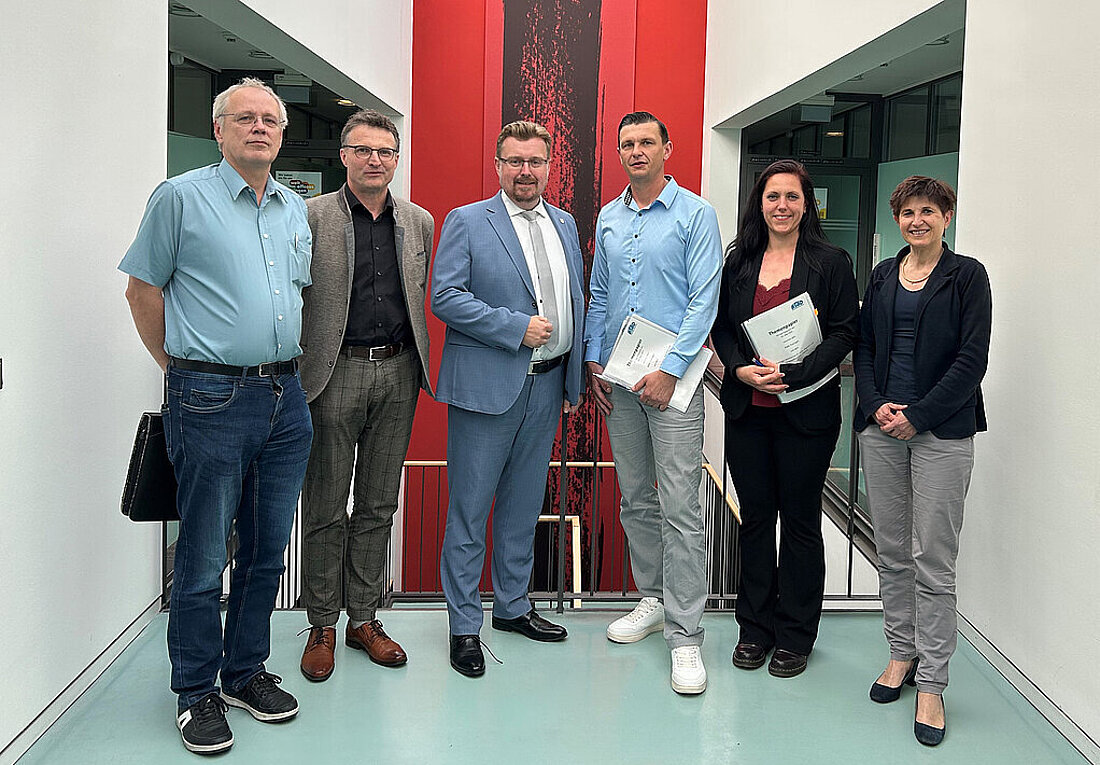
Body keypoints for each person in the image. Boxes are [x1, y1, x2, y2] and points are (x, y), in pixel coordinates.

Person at [120, 77, 312, 755]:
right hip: (210, 397)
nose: (259, 127)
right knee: (203, 557)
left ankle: (244, 672)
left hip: (286, 398)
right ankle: (195, 690)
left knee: (265, 552)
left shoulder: (293, 207)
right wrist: (177, 367)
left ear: (281, 134)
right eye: (245, 118)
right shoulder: (179, 198)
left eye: (270, 120)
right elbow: (142, 290)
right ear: (219, 130)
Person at [432, 120, 585, 677]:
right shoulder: (468, 221)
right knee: (470, 512)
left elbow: (575, 299)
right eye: (515, 161)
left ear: (549, 165)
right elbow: (445, 296)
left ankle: (513, 606)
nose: (526, 171)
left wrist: (572, 379)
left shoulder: (564, 223)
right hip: (486, 390)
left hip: (547, 387)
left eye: (535, 161)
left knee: (522, 507)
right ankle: (463, 626)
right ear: (497, 165)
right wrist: (515, 327)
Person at [584, 111, 722, 695]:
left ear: (668, 147)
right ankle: (654, 599)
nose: (637, 151)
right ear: (619, 153)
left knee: (681, 506)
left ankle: (686, 635)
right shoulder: (609, 217)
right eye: (627, 144)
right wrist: (593, 358)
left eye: (647, 142)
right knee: (636, 497)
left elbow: (704, 299)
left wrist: (670, 370)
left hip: (674, 386)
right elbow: (599, 293)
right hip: (620, 380)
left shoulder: (696, 214)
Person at [297, 110, 435, 681]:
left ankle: (363, 618)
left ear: (396, 159)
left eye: (385, 151)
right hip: (334, 373)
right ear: (344, 156)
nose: (375, 160)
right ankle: (321, 624)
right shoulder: (310, 217)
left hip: (399, 373)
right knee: (326, 506)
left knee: (379, 504)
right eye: (363, 150)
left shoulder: (419, 222)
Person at [854, 176, 991, 746]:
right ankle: (900, 653)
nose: (917, 220)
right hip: (882, 430)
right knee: (891, 552)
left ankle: (932, 682)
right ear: (897, 220)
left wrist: (919, 415)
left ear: (946, 217)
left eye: (928, 211)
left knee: (932, 559)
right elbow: (864, 348)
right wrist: (875, 406)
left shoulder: (968, 276)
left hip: (942, 433)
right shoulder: (884, 274)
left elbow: (972, 360)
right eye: (908, 212)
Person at [710, 159, 858, 679]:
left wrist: (796, 373)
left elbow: (845, 331)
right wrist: (739, 369)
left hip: (807, 414)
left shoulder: (831, 262)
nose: (782, 206)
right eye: (773, 196)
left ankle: (795, 634)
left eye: (792, 197)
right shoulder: (739, 260)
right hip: (748, 412)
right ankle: (754, 629)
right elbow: (721, 328)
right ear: (760, 202)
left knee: (799, 523)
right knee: (754, 521)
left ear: (807, 204)